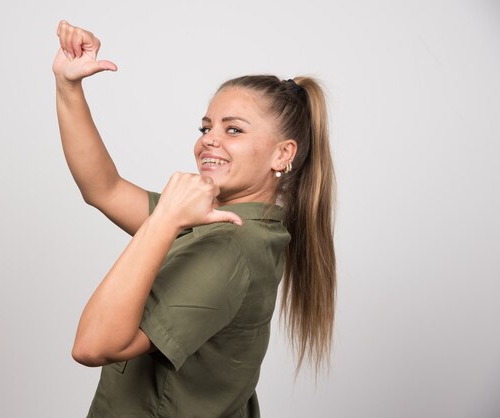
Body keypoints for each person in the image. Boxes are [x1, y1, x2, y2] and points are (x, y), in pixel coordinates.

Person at [53, 20, 336, 418]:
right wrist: (68, 86)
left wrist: (164, 219)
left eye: (233, 129)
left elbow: (92, 345)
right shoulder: (218, 223)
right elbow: (105, 189)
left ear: (282, 155)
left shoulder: (227, 245)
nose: (208, 139)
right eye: (205, 127)